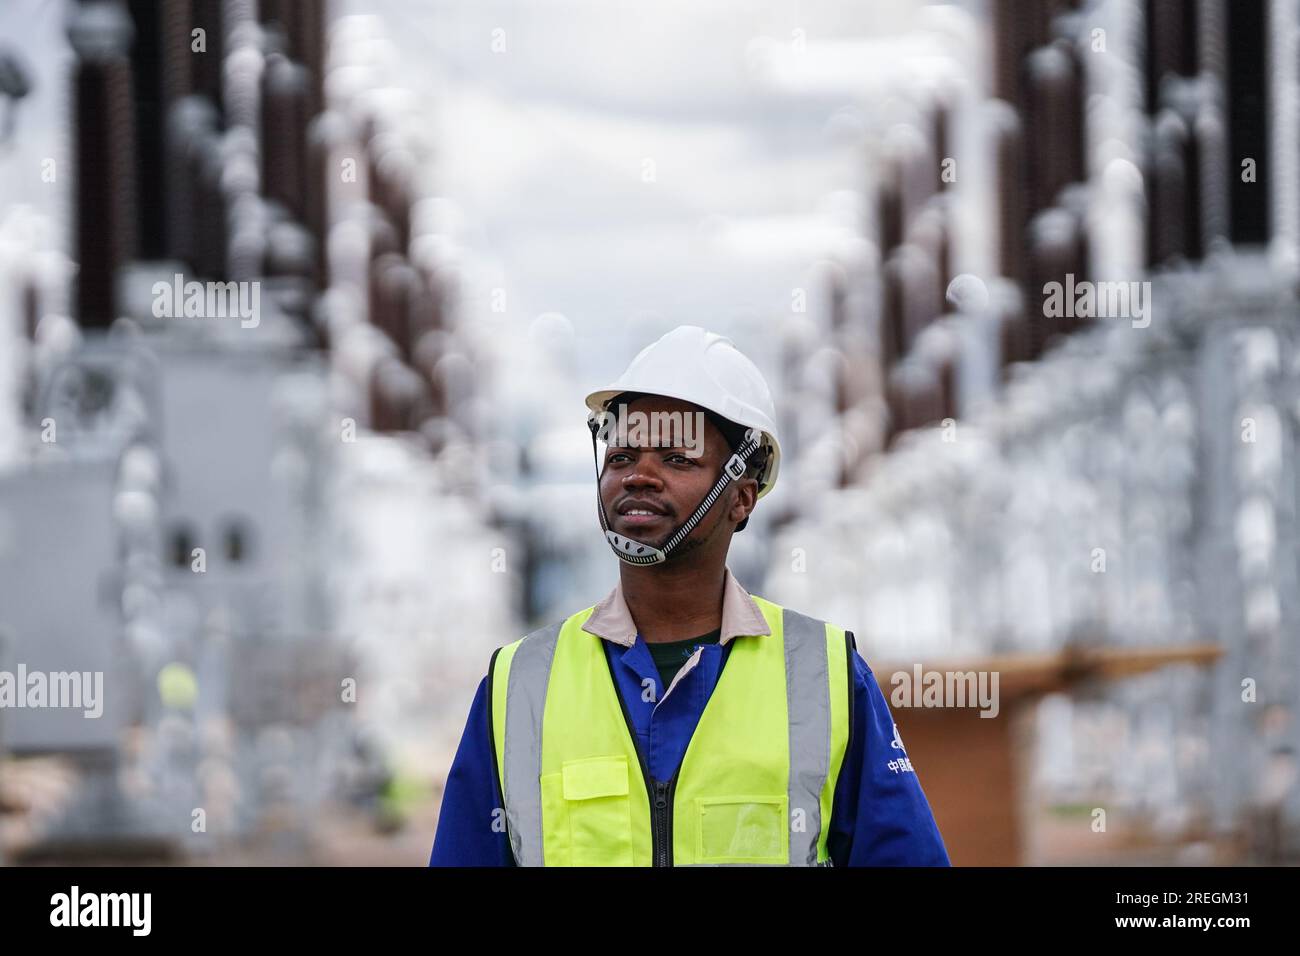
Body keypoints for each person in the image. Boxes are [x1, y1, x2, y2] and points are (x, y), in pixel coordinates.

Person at [429, 325, 949, 866]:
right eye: (623, 457)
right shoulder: (519, 686)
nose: (640, 477)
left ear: (742, 498)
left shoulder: (826, 676)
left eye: (676, 459)